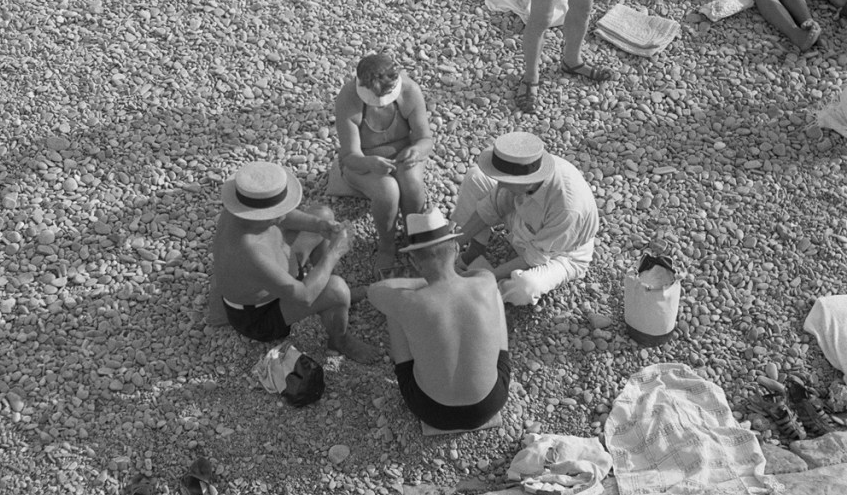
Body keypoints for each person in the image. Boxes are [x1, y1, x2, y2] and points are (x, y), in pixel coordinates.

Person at [211, 161, 379, 362]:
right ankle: (339, 339)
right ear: (260, 216)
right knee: (337, 289)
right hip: (261, 315)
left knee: (322, 214)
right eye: (277, 213)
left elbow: (283, 215)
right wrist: (334, 252)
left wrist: (319, 225)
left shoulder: (242, 209)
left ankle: (331, 300)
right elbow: (304, 296)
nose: (283, 216)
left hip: (279, 271)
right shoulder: (249, 251)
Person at [367, 209, 510, 430]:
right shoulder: (485, 280)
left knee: (394, 308)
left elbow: (376, 290)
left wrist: (422, 286)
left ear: (414, 262)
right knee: (493, 297)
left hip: (433, 411)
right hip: (490, 403)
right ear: (454, 248)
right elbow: (467, 277)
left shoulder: (409, 302)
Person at [452, 132, 599, 307]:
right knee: (475, 177)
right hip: (525, 221)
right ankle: (475, 253)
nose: (500, 184)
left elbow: (534, 258)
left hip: (562, 252)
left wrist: (487, 277)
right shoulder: (525, 170)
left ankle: (485, 291)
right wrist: (454, 244)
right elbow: (492, 206)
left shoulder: (568, 208)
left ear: (527, 182)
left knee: (526, 287)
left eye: (504, 180)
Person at [334, 53, 433, 275]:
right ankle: (387, 245)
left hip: (403, 152)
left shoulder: (409, 91)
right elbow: (350, 156)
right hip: (364, 159)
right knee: (387, 191)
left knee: (411, 184)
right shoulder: (348, 99)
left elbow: (425, 140)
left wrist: (415, 151)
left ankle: (414, 236)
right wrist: (369, 162)